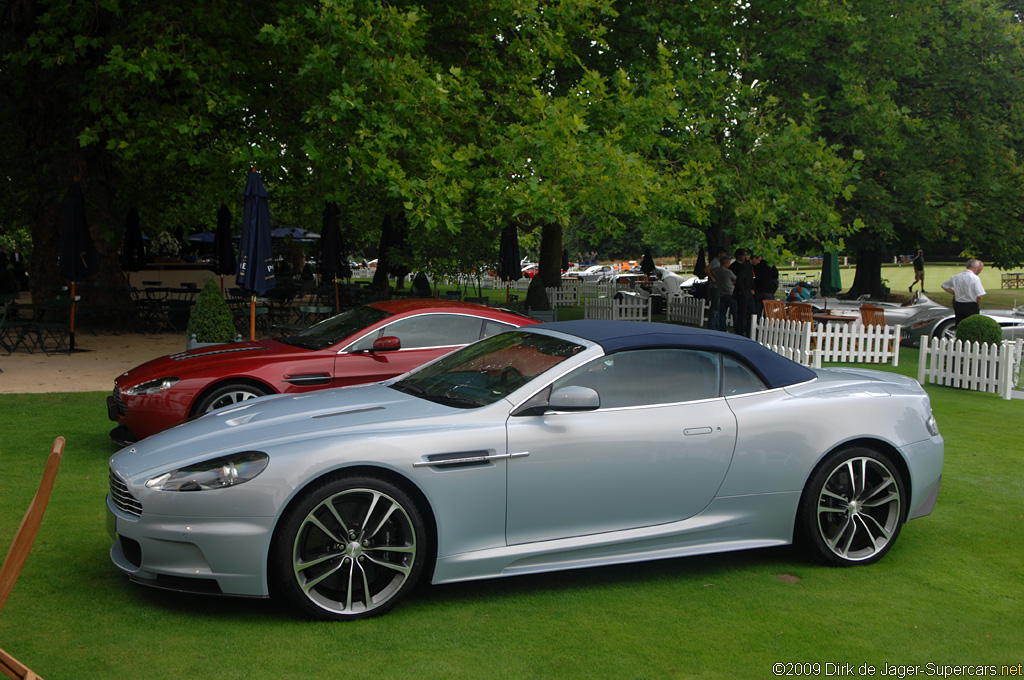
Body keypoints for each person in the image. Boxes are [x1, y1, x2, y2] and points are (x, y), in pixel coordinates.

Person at [942, 259, 985, 324]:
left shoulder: (956, 277)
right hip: (971, 306)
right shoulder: (975, 278)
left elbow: (944, 285)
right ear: (976, 268)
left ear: (966, 266)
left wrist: (955, 293)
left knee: (959, 325)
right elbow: (979, 296)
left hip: (959, 305)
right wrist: (978, 307)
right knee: (971, 326)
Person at [730, 248, 754, 336]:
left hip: (747, 290)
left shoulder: (747, 265)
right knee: (741, 312)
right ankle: (740, 329)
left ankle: (747, 328)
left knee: (750, 311)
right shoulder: (735, 266)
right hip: (742, 291)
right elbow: (738, 279)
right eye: (744, 255)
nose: (745, 257)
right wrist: (742, 290)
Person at [704, 246, 728, 330]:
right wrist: (712, 278)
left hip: (719, 287)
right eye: (724, 253)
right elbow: (707, 269)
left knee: (718, 307)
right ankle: (712, 326)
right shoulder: (715, 261)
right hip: (715, 287)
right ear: (720, 253)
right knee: (715, 307)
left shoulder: (720, 262)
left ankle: (717, 325)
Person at [712, 256, 737, 333]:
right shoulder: (728, 272)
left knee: (722, 313)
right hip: (730, 293)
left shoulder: (717, 271)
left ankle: (722, 328)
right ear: (726, 263)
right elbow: (735, 278)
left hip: (722, 293)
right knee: (735, 311)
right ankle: (736, 327)